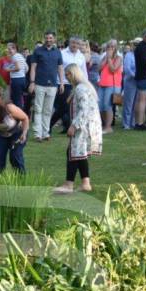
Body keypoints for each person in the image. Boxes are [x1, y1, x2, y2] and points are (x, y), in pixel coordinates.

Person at [53, 63, 102, 194]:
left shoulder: (81, 88)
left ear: (73, 73)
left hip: (83, 126)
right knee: (80, 153)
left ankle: (68, 184)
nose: (66, 78)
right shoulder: (84, 87)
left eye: (68, 74)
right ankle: (86, 183)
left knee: (73, 153)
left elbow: (84, 109)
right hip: (90, 125)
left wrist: (74, 125)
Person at [28, 31, 64, 141]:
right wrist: (32, 82)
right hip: (39, 84)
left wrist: (61, 83)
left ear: (54, 39)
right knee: (38, 109)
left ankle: (46, 133)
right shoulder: (38, 51)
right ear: (44, 38)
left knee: (48, 110)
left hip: (53, 85)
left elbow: (60, 68)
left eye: (50, 38)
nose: (48, 40)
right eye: (47, 38)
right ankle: (37, 134)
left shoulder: (58, 52)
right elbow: (33, 68)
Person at [51, 36, 85, 135]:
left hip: (76, 83)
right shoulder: (62, 53)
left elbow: (83, 71)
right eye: (73, 43)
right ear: (69, 43)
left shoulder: (81, 56)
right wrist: (59, 82)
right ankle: (50, 124)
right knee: (63, 107)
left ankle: (66, 126)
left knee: (69, 107)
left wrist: (85, 83)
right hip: (63, 83)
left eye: (77, 43)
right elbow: (58, 68)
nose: (74, 45)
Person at [97, 40, 123, 133]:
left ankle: (108, 127)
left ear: (116, 48)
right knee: (100, 106)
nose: (110, 48)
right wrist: (106, 59)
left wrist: (109, 59)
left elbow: (113, 69)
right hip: (102, 84)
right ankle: (105, 125)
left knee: (107, 106)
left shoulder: (119, 58)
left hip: (112, 84)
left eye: (112, 46)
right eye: (108, 46)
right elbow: (99, 69)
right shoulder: (104, 57)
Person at [122, 39, 139, 130]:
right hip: (130, 81)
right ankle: (126, 123)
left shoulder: (139, 55)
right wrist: (135, 76)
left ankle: (132, 122)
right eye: (135, 45)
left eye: (137, 45)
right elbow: (127, 69)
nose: (136, 46)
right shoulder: (129, 55)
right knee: (128, 103)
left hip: (138, 81)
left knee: (135, 103)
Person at [4, 42, 28, 108]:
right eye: (8, 49)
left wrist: (8, 70)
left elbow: (18, 68)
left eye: (10, 49)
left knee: (16, 100)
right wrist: (22, 74)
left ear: (15, 49)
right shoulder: (20, 56)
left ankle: (18, 116)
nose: (9, 51)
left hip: (16, 80)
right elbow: (26, 68)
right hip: (22, 79)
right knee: (19, 98)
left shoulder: (14, 57)